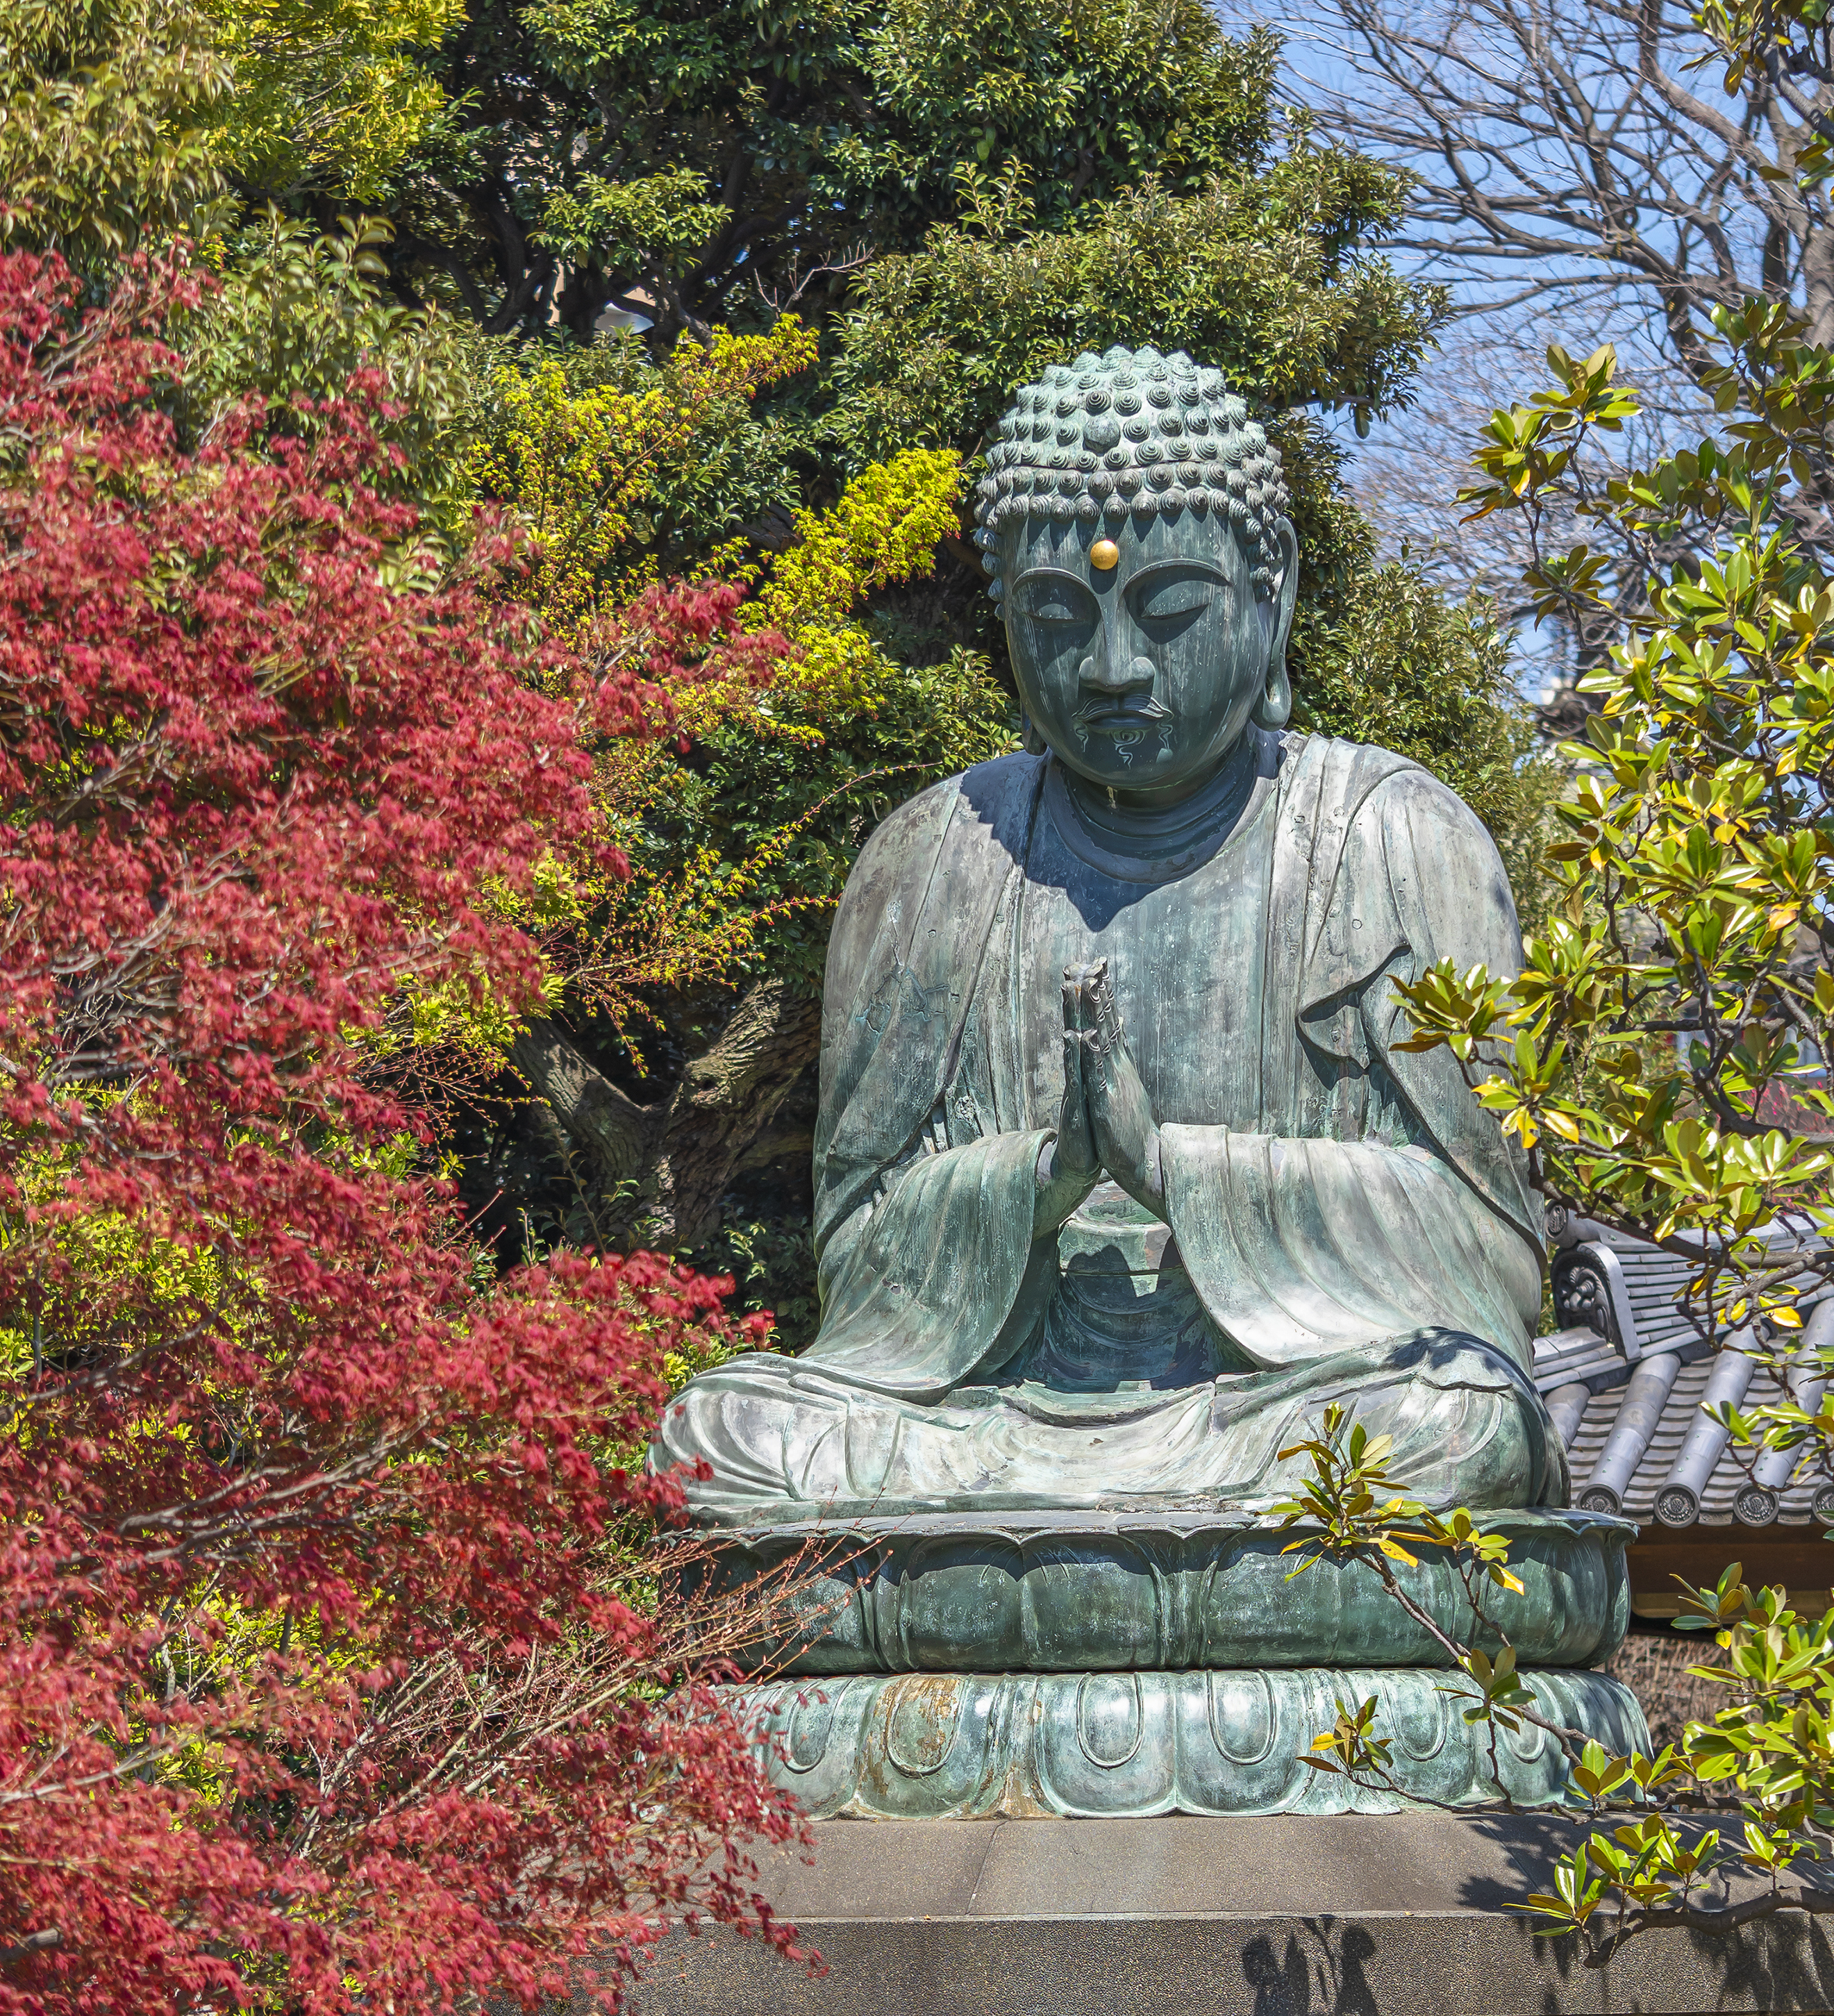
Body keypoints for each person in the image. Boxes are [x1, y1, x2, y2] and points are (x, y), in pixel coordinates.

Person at [650, 347, 1553, 1523]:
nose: (1114, 668)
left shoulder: (1391, 837)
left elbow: (1490, 1259)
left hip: (1292, 1409)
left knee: (1457, 1417)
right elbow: (861, 1268)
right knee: (720, 1439)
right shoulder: (931, 857)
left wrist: (1171, 1166)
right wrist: (1044, 1176)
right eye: (1057, 618)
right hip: (974, 1423)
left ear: (1268, 588)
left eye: (1170, 609)